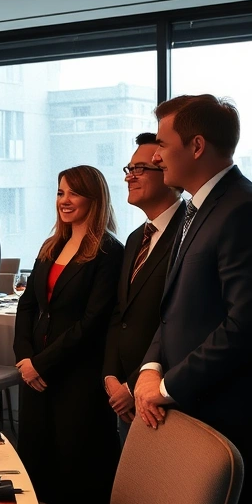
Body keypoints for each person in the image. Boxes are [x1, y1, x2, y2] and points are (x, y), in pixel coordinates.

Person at [135, 94, 252, 504]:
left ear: (196, 146)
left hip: (241, 417)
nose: (153, 155)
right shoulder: (198, 207)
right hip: (203, 408)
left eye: (162, 144)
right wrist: (151, 367)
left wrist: (168, 385)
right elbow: (175, 308)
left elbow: (247, 328)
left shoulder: (247, 210)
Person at [13, 165, 123, 504]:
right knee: (55, 478)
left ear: (95, 199)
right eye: (60, 193)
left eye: (74, 193)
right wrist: (25, 359)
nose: (65, 201)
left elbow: (92, 323)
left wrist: (40, 364)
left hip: (79, 379)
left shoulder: (108, 250)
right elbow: (28, 304)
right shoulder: (51, 245)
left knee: (83, 479)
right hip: (41, 379)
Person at [102, 133, 184, 441]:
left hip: (162, 394)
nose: (130, 176)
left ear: (167, 171)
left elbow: (178, 323)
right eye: (129, 168)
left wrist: (133, 383)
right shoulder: (137, 237)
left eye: (140, 168)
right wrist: (111, 375)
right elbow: (119, 313)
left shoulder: (189, 232)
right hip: (124, 392)